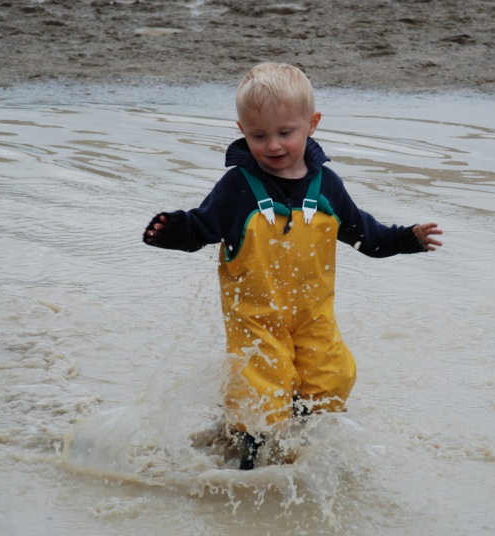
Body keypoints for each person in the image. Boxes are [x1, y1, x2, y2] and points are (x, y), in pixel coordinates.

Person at [143, 62, 443, 469]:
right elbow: (202, 227)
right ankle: (248, 457)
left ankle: (302, 450)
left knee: (333, 379)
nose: (273, 145)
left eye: (286, 132)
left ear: (312, 123)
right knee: (261, 395)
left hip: (312, 316)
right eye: (258, 135)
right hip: (256, 319)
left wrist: (406, 239)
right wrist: (174, 230)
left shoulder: (328, 187)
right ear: (241, 129)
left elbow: (365, 235)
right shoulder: (236, 188)